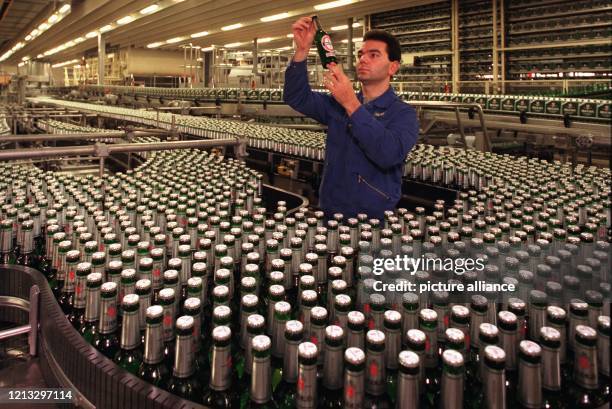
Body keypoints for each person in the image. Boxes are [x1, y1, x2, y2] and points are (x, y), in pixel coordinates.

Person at [284, 17, 418, 221]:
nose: (363, 59)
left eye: (374, 55)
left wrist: (351, 103)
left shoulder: (403, 114)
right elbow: (297, 97)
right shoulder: (338, 105)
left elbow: (388, 154)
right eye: (361, 54)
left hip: (371, 220)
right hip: (329, 209)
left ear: (393, 67)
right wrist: (302, 51)